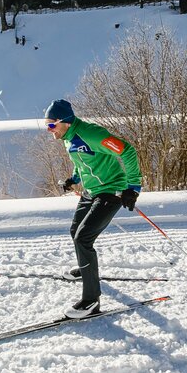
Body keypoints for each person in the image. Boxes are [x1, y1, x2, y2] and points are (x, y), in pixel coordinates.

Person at [43, 99, 142, 318]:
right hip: (91, 191)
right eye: (47, 125)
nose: (49, 130)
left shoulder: (92, 134)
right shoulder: (68, 138)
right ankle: (86, 270)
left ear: (65, 121)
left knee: (83, 238)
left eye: (51, 125)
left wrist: (133, 188)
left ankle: (91, 301)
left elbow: (127, 151)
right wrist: (74, 179)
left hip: (112, 190)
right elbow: (82, 161)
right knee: (75, 232)